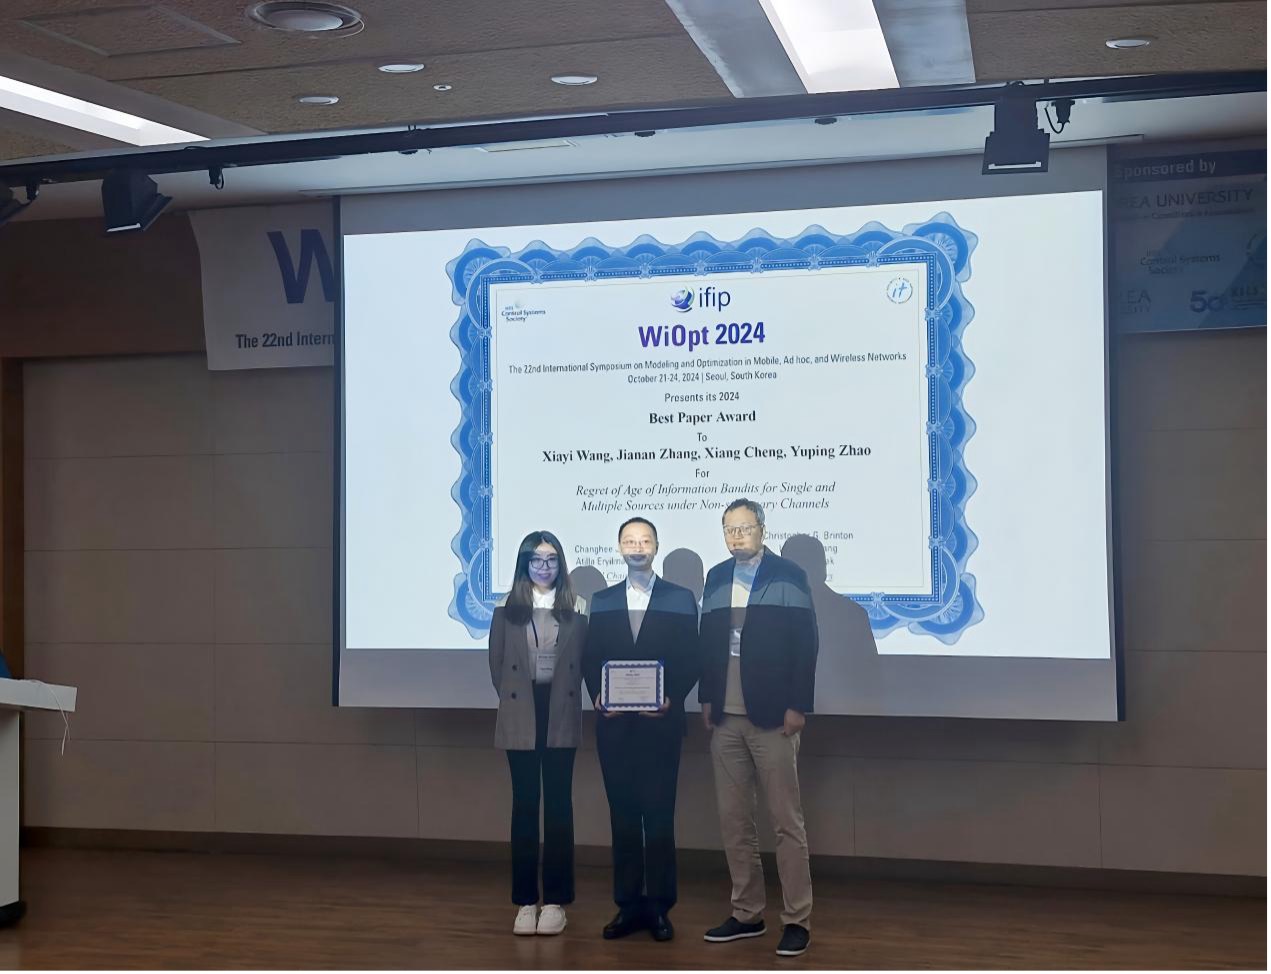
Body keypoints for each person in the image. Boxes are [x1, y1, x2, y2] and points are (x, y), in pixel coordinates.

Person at [698, 498, 818, 957]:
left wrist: (798, 704)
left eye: (744, 528)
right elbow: (708, 643)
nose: (736, 536)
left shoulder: (789, 575)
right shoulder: (715, 577)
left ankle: (797, 919)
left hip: (774, 716)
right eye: (729, 529)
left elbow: (806, 643)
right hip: (725, 717)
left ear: (762, 530)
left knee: (786, 823)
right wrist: (707, 697)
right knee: (734, 822)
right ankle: (747, 913)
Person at [582, 517, 701, 942]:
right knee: (623, 818)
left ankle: (661, 907)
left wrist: (672, 698)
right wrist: (599, 695)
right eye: (629, 541)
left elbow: (692, 657)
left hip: (661, 726)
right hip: (615, 729)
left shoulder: (680, 598)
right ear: (619, 548)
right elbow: (590, 657)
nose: (637, 547)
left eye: (644, 540)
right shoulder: (601, 600)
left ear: (656, 547)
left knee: (660, 819)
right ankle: (628, 904)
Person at [488, 530, 588, 936]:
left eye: (551, 559)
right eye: (536, 560)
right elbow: (497, 666)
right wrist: (517, 701)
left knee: (560, 807)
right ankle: (526, 901)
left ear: (560, 563)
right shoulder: (506, 606)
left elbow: (584, 660)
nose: (544, 567)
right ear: (524, 564)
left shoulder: (577, 605)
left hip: (560, 709)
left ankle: (557, 901)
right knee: (525, 806)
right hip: (521, 710)